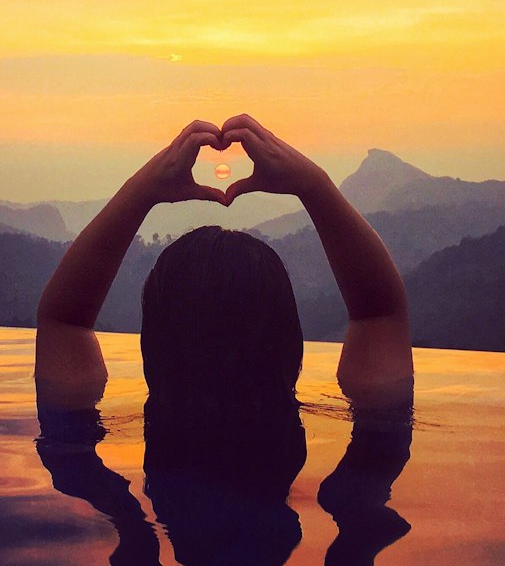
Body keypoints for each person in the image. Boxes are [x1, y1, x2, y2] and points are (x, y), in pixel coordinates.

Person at [34, 116, 414, 565]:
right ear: (291, 348)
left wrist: (144, 190)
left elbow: (64, 321)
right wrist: (314, 186)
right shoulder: (371, 459)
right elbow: (379, 313)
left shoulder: (75, 459)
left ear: (151, 349)